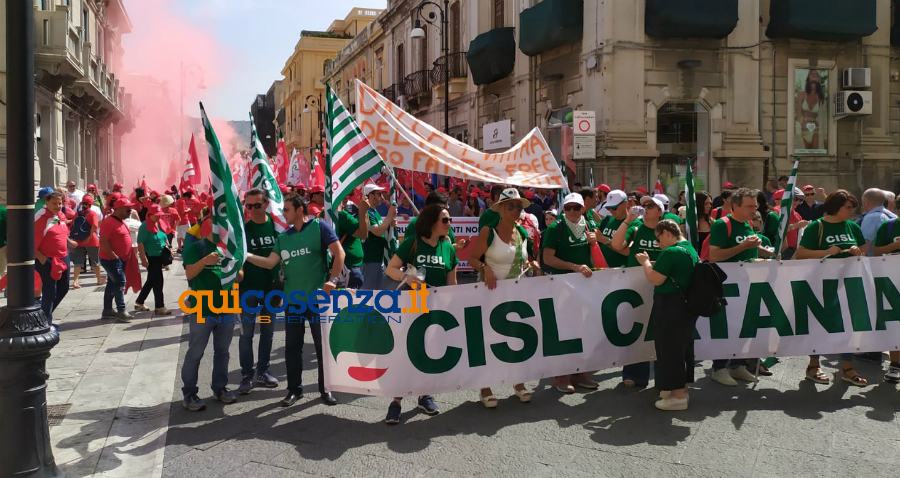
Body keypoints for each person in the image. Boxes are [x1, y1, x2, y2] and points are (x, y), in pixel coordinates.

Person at [245, 194, 344, 407]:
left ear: (300, 209)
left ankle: (325, 389)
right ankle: (293, 390)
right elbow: (270, 263)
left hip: (318, 300)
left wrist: (333, 280)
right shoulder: (284, 237)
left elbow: (339, 253)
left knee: (322, 348)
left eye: (287, 210)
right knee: (292, 348)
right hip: (293, 302)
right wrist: (246, 255)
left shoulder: (319, 227)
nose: (284, 214)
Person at [383, 203, 457, 424]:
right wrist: (407, 277)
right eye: (445, 220)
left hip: (435, 308)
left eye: (450, 219)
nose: (449, 223)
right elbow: (391, 269)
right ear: (432, 222)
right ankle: (396, 402)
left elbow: (451, 282)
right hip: (412, 304)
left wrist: (451, 305)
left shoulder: (448, 248)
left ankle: (424, 395)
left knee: (428, 353)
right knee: (407, 352)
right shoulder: (412, 244)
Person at [467, 189, 536, 408]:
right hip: (490, 293)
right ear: (501, 209)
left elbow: (523, 260)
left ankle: (518, 382)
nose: (516, 210)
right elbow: (471, 259)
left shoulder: (522, 233)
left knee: (516, 337)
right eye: (511, 206)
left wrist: (531, 265)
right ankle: (485, 386)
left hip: (516, 293)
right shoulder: (489, 231)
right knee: (489, 338)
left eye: (518, 206)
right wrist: (485, 267)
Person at [795, 190, 869, 386]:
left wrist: (857, 252)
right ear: (835, 207)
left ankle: (847, 367)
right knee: (819, 324)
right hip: (821, 285)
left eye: (853, 207)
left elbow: (863, 251)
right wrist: (826, 252)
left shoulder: (852, 226)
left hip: (848, 285)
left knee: (848, 324)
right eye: (848, 207)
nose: (852, 211)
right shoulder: (816, 227)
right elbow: (800, 254)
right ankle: (813, 365)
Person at [635, 219, 699, 411]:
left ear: (668, 233)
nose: (658, 243)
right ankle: (676, 389)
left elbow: (655, 278)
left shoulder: (671, 252)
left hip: (670, 306)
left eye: (659, 238)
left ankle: (678, 395)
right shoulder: (689, 248)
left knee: (669, 349)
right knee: (680, 348)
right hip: (684, 306)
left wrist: (645, 262)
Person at [707, 188, 767, 385]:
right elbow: (714, 256)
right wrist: (744, 247)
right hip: (727, 287)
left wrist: (765, 253)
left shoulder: (748, 224)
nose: (754, 209)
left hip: (747, 284)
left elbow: (749, 249)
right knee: (728, 326)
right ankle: (719, 367)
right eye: (750, 206)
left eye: (755, 206)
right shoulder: (722, 225)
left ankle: (738, 365)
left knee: (745, 324)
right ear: (735, 205)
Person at [180, 217, 239, 411]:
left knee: (223, 352)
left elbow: (240, 275)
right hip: (202, 309)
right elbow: (190, 274)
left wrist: (234, 268)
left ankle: (220, 388)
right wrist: (206, 261)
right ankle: (189, 394)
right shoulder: (195, 247)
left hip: (227, 308)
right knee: (195, 353)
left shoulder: (230, 248)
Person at [541, 193, 598, 393]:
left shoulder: (589, 226)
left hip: (583, 285)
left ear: (583, 209)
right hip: (561, 284)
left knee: (582, 330)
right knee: (563, 331)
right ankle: (561, 375)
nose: (572, 211)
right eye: (568, 208)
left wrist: (595, 243)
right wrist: (574, 267)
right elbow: (547, 258)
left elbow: (596, 256)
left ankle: (580, 373)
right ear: (563, 210)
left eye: (576, 208)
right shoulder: (556, 228)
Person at [612, 195, 666, 387]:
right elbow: (616, 245)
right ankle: (634, 373)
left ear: (659, 211)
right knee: (635, 327)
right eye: (643, 205)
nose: (645, 208)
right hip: (636, 285)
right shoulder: (635, 228)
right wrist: (627, 220)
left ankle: (663, 374)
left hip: (661, 284)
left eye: (650, 205)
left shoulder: (667, 229)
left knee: (659, 329)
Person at [236, 189, 281, 394]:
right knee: (246, 335)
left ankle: (263, 371)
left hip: (271, 291)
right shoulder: (243, 230)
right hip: (249, 293)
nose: (253, 209)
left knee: (267, 332)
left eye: (257, 205)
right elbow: (238, 259)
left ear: (266, 205)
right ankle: (247, 375)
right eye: (249, 206)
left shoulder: (277, 227)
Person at [35, 191, 76, 325]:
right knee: (50, 291)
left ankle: (43, 314)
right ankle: (45, 322)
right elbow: (29, 240)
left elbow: (61, 232)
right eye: (54, 203)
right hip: (48, 260)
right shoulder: (41, 218)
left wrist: (70, 242)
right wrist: (41, 258)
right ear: (46, 203)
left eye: (60, 203)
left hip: (64, 257)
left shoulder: (60, 215)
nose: (58, 206)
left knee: (64, 288)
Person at [99, 198, 137, 323]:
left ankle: (107, 310)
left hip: (119, 259)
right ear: (119, 209)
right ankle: (121, 311)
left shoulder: (120, 220)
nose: (130, 210)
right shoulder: (109, 222)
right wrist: (113, 255)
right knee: (120, 282)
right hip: (111, 259)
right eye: (128, 208)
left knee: (112, 284)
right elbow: (103, 240)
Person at [872, 216, 900, 383]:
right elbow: (876, 251)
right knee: (895, 322)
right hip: (892, 282)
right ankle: (895, 365)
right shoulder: (888, 227)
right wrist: (895, 246)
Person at [134, 205, 171, 316]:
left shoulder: (156, 224)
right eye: (157, 215)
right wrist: (143, 258)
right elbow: (140, 243)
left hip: (159, 257)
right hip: (151, 258)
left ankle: (139, 302)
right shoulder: (144, 226)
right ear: (150, 215)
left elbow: (162, 235)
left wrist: (167, 245)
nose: (159, 217)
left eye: (160, 215)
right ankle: (159, 307)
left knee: (151, 281)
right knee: (158, 282)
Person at [360, 183, 397, 290]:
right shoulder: (367, 212)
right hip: (370, 259)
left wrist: (390, 225)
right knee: (368, 292)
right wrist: (390, 216)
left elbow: (382, 229)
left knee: (377, 292)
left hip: (378, 259)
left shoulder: (375, 212)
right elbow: (378, 231)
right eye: (379, 193)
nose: (381, 197)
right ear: (370, 196)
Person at [335, 192, 369, 289]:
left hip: (342, 268)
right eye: (345, 193)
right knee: (351, 303)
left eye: (349, 194)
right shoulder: (342, 216)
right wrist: (363, 211)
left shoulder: (322, 215)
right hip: (349, 269)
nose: (347, 197)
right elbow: (363, 234)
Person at [70, 195, 104, 289]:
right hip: (92, 240)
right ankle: (98, 279)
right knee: (95, 261)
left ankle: (75, 281)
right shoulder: (92, 213)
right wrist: (89, 237)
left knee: (78, 262)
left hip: (79, 240)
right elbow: (95, 226)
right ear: (91, 203)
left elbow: (73, 225)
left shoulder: (78, 214)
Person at [596, 190, 631, 268]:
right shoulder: (607, 219)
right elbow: (597, 242)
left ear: (625, 204)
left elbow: (628, 252)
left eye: (614, 208)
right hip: (603, 270)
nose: (611, 211)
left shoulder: (634, 223)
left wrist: (605, 240)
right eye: (608, 208)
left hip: (623, 271)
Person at [859, 188, 897, 256]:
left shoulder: (870, 218)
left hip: (875, 262)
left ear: (866, 202)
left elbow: (865, 245)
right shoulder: (894, 216)